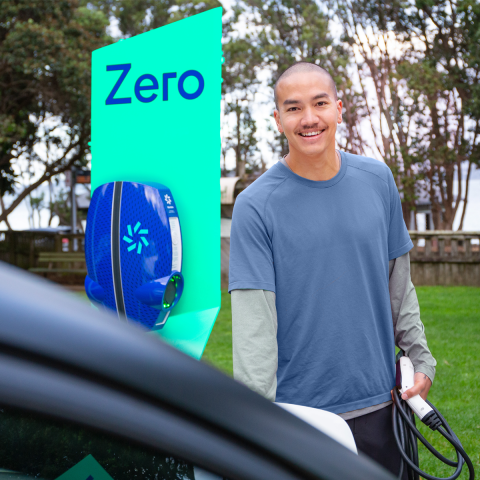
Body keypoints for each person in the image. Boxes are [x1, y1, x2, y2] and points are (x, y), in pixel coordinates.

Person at [228, 62, 436, 476]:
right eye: (294, 108)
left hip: (386, 407)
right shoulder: (255, 206)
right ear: (278, 119)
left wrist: (420, 358)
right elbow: (254, 324)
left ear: (339, 109)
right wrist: (258, 421)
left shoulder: (378, 180)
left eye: (320, 103)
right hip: (303, 418)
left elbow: (399, 284)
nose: (309, 119)